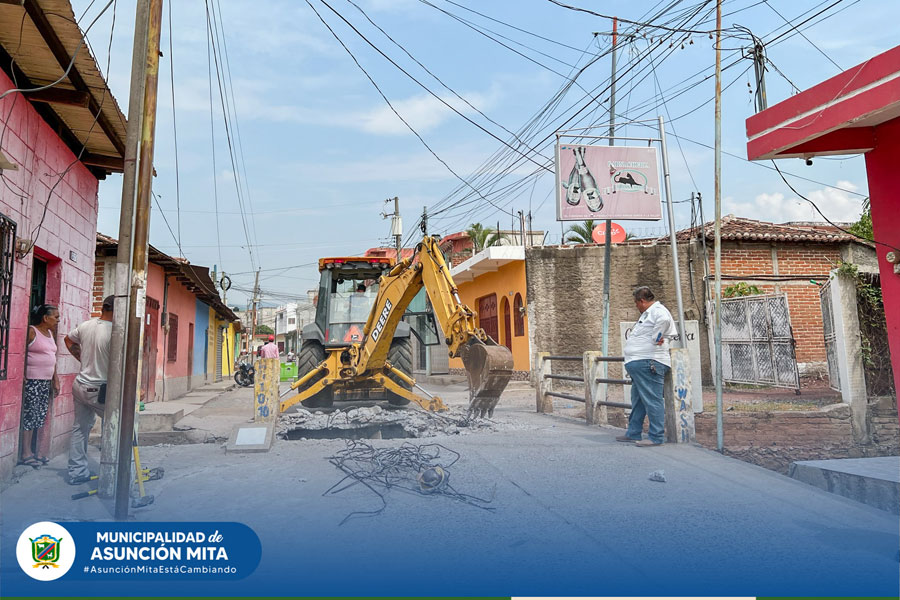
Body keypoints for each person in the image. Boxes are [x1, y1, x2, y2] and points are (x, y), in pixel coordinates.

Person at [617, 286, 677, 447]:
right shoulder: (648, 314)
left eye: (636, 303)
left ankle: (656, 436)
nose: (636, 306)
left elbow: (664, 321)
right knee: (638, 401)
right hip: (641, 363)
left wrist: (657, 336)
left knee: (652, 400)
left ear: (642, 301)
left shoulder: (658, 311)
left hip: (650, 362)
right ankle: (633, 432)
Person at [64, 295, 114, 485]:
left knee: (80, 428)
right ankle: (113, 471)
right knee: (117, 425)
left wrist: (81, 358)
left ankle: (77, 473)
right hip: (98, 388)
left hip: (80, 384)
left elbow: (68, 339)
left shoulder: (86, 325)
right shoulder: (115, 332)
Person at [19, 304, 60, 468]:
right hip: (33, 381)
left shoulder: (50, 334)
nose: (58, 320)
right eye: (56, 317)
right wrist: (21, 373)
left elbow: (52, 358)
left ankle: (35, 451)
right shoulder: (32, 331)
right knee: (30, 416)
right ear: (45, 317)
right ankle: (25, 453)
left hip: (45, 381)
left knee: (39, 416)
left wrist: (55, 379)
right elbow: (20, 353)